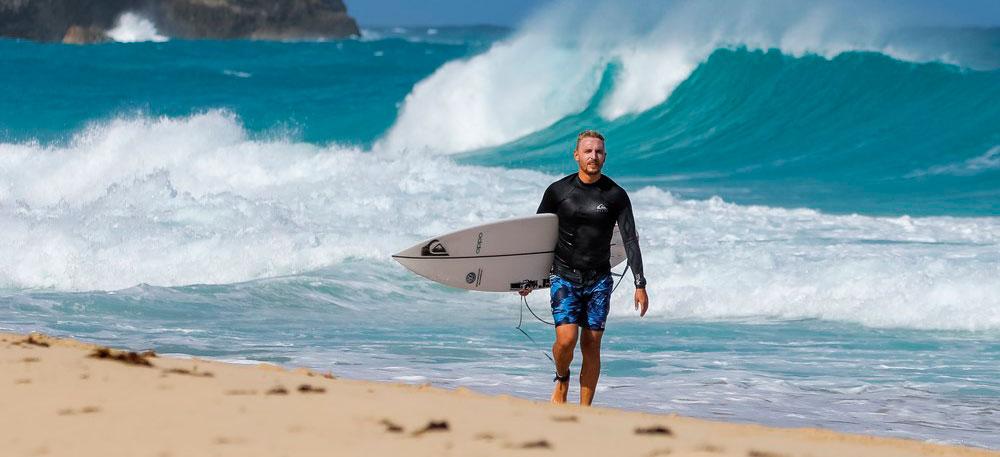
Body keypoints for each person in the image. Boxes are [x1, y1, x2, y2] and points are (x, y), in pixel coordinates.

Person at [521, 129, 648, 406]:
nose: (594, 156)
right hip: (564, 275)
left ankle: (584, 410)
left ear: (605, 156)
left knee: (591, 345)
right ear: (576, 155)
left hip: (599, 279)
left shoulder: (616, 195)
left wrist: (640, 283)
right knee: (566, 340)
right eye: (588, 151)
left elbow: (630, 239)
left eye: (599, 151)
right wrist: (528, 278)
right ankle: (562, 376)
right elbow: (538, 235)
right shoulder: (558, 191)